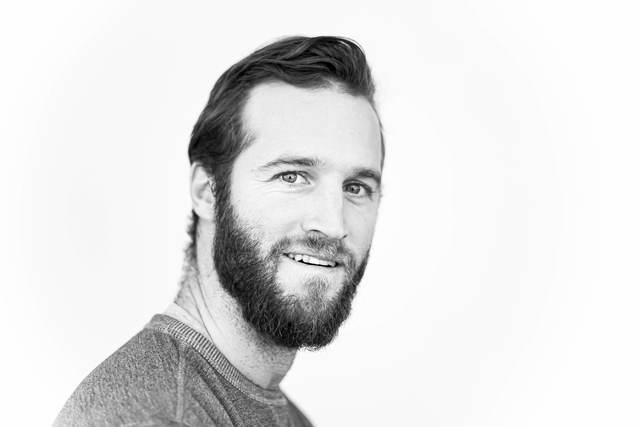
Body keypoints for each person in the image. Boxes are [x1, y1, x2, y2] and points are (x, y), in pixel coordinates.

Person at [55, 35, 385, 427]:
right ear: (207, 191)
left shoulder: (285, 415)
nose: (333, 224)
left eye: (356, 188)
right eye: (292, 176)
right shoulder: (157, 417)